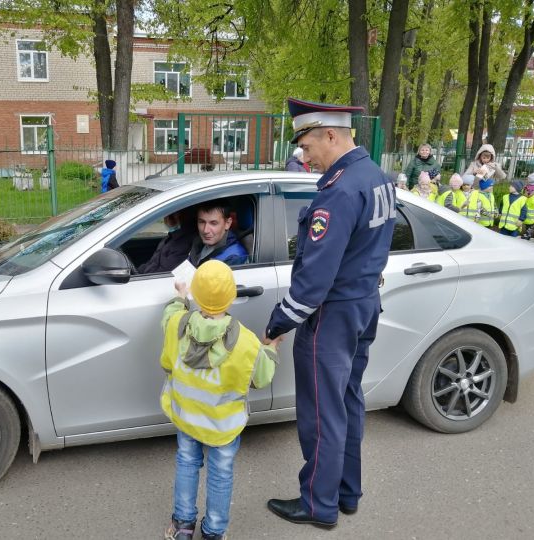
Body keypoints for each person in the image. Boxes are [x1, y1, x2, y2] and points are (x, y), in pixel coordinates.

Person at [264, 98, 396, 528]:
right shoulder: (376, 177)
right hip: (363, 305)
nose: (304, 157)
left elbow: (314, 281)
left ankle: (318, 505)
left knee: (322, 413)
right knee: (348, 402)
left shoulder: (338, 192)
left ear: (331, 135)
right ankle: (346, 492)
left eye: (306, 146)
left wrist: (278, 323)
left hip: (332, 316)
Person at [161, 260, 280, 540]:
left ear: (195, 295)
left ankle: (182, 527)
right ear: (231, 297)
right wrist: (272, 349)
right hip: (224, 427)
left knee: (187, 463)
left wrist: (180, 295)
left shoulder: (177, 325)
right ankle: (214, 531)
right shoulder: (246, 342)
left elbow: (170, 318)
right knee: (220, 474)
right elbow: (262, 378)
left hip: (187, 417)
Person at [187, 201, 249, 267]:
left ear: (227, 223)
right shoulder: (198, 243)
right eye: (202, 222)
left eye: (213, 223)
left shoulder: (234, 257)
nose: (205, 230)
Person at [522, 173, 534, 238]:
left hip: (523, 213)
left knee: (523, 227)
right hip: (532, 216)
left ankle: (525, 235)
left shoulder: (525, 188)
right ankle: (527, 236)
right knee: (529, 229)